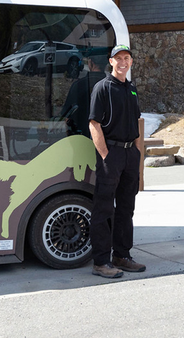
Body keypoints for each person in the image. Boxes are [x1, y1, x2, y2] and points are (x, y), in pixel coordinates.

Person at [87, 45, 147, 279]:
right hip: (111, 153)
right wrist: (105, 155)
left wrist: (138, 153)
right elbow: (94, 124)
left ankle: (122, 256)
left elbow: (137, 121)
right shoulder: (102, 88)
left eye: (127, 58)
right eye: (119, 58)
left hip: (130, 153)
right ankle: (101, 262)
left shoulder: (131, 89)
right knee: (103, 209)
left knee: (126, 208)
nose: (123, 62)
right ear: (111, 61)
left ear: (131, 61)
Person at [61, 52, 106, 138]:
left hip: (81, 139)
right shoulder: (113, 87)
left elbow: (67, 117)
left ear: (90, 63)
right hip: (107, 140)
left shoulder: (78, 85)